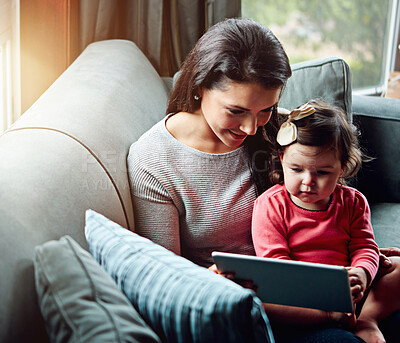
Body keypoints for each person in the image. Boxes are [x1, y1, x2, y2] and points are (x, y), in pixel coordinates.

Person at [128, 17, 398, 342]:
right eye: (236, 110)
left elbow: (321, 205)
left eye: (266, 109)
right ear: (200, 86)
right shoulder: (153, 159)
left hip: (314, 279)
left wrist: (361, 259)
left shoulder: (278, 131)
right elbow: (167, 276)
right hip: (251, 303)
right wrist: (213, 280)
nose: (251, 128)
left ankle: (362, 317)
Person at [251, 100, 400, 343]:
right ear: (281, 158)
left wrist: (362, 273)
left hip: (352, 291)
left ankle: (366, 319)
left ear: (341, 168)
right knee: (261, 297)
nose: (308, 181)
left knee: (397, 264)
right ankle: (335, 317)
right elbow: (276, 266)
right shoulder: (270, 205)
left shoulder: (353, 202)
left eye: (322, 172)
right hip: (302, 298)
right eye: (297, 169)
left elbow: (365, 246)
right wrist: (324, 287)